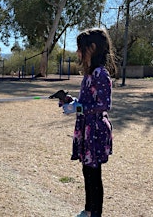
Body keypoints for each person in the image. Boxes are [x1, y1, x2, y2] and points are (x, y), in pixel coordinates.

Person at [59, 28, 116, 217]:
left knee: (94, 175)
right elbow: (88, 100)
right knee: (86, 171)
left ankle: (95, 213)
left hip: (96, 130)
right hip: (86, 129)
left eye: (80, 48)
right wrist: (71, 100)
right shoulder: (89, 74)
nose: (78, 52)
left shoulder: (101, 73)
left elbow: (104, 104)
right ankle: (88, 210)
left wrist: (80, 108)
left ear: (92, 48)